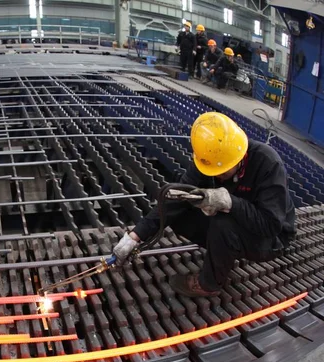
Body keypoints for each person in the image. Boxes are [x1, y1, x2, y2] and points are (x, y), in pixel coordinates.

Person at [113, 112, 296, 297]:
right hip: (237, 223)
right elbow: (174, 203)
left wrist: (231, 203)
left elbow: (271, 225)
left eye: (223, 172)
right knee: (180, 211)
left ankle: (208, 285)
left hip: (271, 238)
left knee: (223, 224)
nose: (217, 176)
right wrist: (134, 237)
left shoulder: (268, 163)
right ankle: (223, 251)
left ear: (238, 158)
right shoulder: (208, 158)